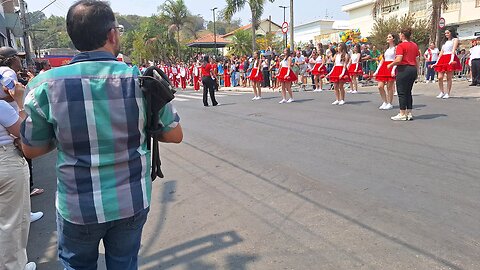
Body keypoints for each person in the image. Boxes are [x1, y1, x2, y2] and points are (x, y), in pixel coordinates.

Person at [20, 1, 183, 269]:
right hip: (131, 202)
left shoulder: (44, 85)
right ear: (112, 34)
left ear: (73, 38)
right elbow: (175, 135)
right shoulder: (143, 82)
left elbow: (31, 150)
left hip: (77, 207)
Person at [0, 50, 37, 270]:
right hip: (7, 163)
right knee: (12, 223)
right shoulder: (3, 107)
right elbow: (24, 132)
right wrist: (21, 103)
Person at [388, 28, 419, 121]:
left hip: (403, 69)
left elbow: (399, 59)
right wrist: (417, 71)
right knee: (408, 92)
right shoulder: (414, 45)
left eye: (400, 34)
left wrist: (390, 64)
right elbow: (417, 59)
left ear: (402, 35)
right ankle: (409, 113)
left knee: (401, 92)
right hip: (413, 69)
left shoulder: (401, 46)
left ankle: (402, 113)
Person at [432, 28, 462, 99]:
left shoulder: (455, 40)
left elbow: (453, 50)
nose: (446, 35)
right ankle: (441, 92)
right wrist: (436, 63)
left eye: (448, 33)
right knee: (440, 77)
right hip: (443, 58)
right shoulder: (444, 42)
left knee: (449, 77)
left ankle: (447, 93)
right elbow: (441, 53)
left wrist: (451, 60)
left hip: (450, 57)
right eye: (445, 33)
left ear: (451, 33)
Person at [374, 33, 398, 110]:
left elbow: (396, 60)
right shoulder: (386, 49)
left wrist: (394, 69)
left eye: (389, 37)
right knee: (380, 86)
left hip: (391, 66)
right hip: (384, 67)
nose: (388, 38)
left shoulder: (396, 48)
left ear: (393, 39)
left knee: (389, 87)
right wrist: (377, 70)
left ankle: (390, 103)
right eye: (387, 37)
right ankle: (385, 101)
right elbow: (382, 60)